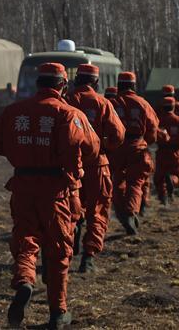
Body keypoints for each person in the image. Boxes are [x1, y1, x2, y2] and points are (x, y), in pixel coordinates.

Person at [0, 62, 97, 329]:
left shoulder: (13, 112)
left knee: (26, 239)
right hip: (56, 190)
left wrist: (25, 155)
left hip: (23, 185)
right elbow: (93, 148)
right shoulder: (69, 114)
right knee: (59, 250)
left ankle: (25, 280)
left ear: (38, 84)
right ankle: (58, 313)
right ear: (62, 85)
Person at [64, 64, 125, 273]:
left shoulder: (66, 100)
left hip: (70, 166)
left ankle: (68, 247)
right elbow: (118, 135)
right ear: (96, 82)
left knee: (71, 209)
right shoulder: (102, 102)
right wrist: (102, 145)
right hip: (98, 165)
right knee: (98, 210)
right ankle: (88, 257)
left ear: (76, 79)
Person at [110, 71, 159, 234]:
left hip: (116, 146)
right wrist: (147, 141)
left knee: (117, 180)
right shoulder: (142, 103)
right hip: (136, 144)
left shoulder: (112, 103)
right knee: (136, 182)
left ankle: (120, 211)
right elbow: (153, 128)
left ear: (119, 85)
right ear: (133, 86)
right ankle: (130, 212)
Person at [153, 97, 179, 205]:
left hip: (161, 152)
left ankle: (163, 198)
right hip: (176, 152)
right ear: (174, 107)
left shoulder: (158, 121)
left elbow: (152, 134)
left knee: (160, 177)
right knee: (178, 175)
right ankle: (172, 181)